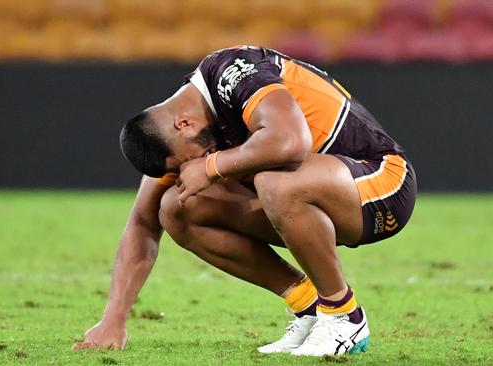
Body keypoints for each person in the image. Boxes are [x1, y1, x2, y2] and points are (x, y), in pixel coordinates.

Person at [72, 45, 416, 357]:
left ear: (183, 122)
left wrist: (210, 166)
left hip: (381, 183)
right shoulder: (184, 131)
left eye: (185, 161)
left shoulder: (233, 70)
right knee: (176, 209)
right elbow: (143, 223)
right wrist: (113, 320)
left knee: (274, 180)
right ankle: (310, 306)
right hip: (316, 196)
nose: (188, 167)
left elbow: (290, 141)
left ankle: (344, 315)